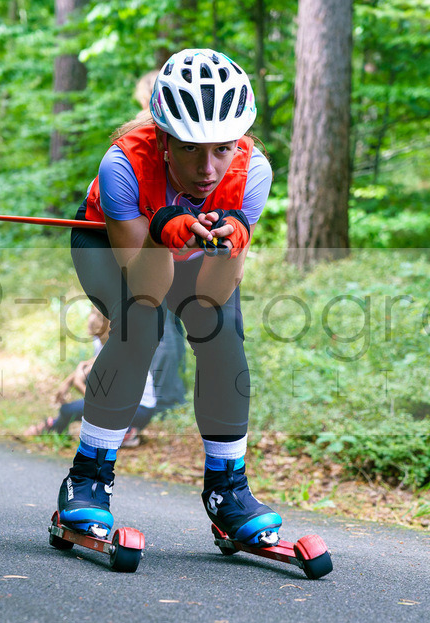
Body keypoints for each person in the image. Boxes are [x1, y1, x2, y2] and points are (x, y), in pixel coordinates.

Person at [57, 48, 282, 547]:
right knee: (142, 325)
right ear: (161, 139)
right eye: (188, 149)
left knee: (221, 331)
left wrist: (235, 238)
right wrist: (162, 231)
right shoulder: (122, 165)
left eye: (222, 149)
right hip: (108, 242)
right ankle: (87, 478)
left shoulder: (254, 174)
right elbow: (146, 288)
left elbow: (214, 296)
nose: (207, 169)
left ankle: (228, 490)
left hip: (190, 251)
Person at [25, 306, 160, 444]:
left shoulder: (121, 349)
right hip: (123, 404)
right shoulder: (101, 342)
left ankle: (122, 431)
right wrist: (68, 381)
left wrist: (81, 388)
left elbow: (97, 386)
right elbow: (90, 364)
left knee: (68, 410)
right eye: (92, 313)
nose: (91, 320)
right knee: (81, 392)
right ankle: (56, 426)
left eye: (100, 317)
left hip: (139, 410)